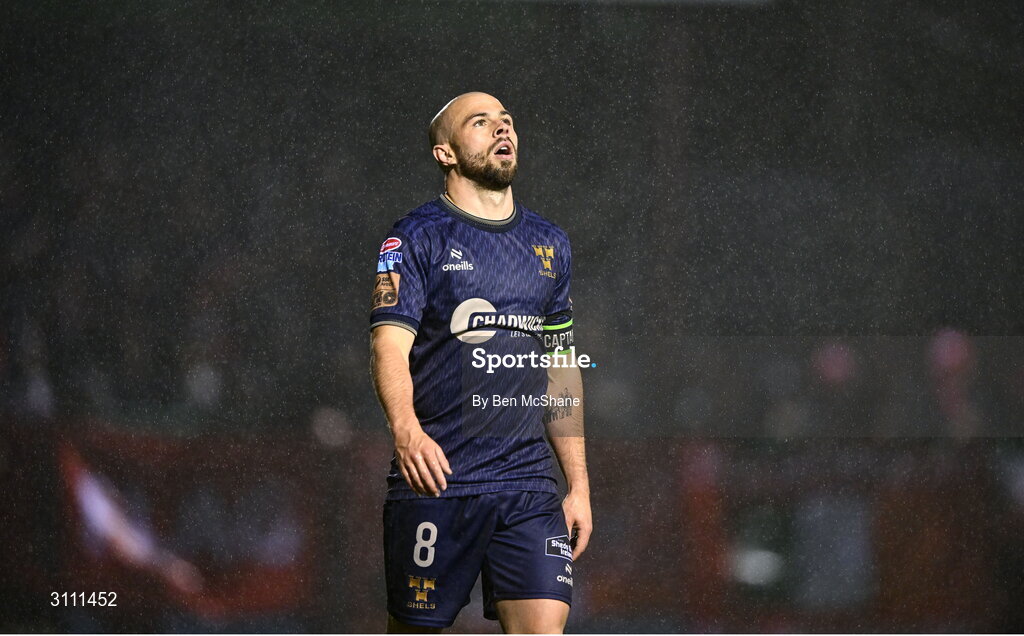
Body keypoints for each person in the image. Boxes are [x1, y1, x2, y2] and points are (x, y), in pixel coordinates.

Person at [369, 92, 592, 634]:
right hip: (438, 481)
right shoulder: (413, 238)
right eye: (480, 122)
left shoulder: (550, 244)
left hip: (527, 486)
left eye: (507, 121)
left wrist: (578, 483)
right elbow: (387, 346)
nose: (501, 129)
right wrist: (406, 431)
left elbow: (560, 367)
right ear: (445, 152)